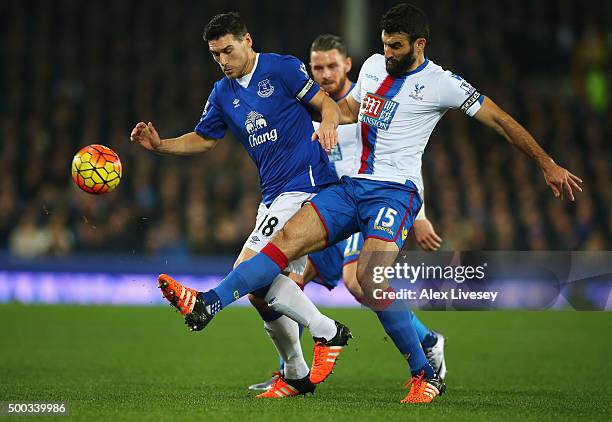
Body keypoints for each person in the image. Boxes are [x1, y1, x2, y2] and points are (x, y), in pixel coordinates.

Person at [158, 3, 582, 404]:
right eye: (383, 43)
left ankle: (424, 371)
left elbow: (502, 121)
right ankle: (213, 305)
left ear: (420, 45)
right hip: (351, 188)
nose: (386, 52)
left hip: (395, 192)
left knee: (370, 280)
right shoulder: (375, 66)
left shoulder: (443, 84)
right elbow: (348, 110)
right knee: (282, 243)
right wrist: (306, 119)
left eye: (395, 45)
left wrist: (546, 164)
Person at [130, 12, 353, 398]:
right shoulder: (222, 93)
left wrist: (330, 124)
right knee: (256, 289)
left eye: (228, 51)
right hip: (272, 195)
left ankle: (213, 305)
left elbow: (326, 104)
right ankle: (301, 367)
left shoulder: (281, 69)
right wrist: (162, 145)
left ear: (247, 41)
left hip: (306, 185)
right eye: (216, 55)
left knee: (248, 267)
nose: (223, 61)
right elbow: (204, 138)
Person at [248, 33, 445, 392]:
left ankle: (426, 342)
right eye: (317, 67)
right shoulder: (308, 109)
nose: (324, 74)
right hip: (325, 208)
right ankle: (291, 371)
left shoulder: (369, 101)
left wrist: (419, 216)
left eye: (331, 66)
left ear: (347, 65)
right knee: (285, 285)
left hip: (363, 207)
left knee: (359, 282)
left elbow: (401, 163)